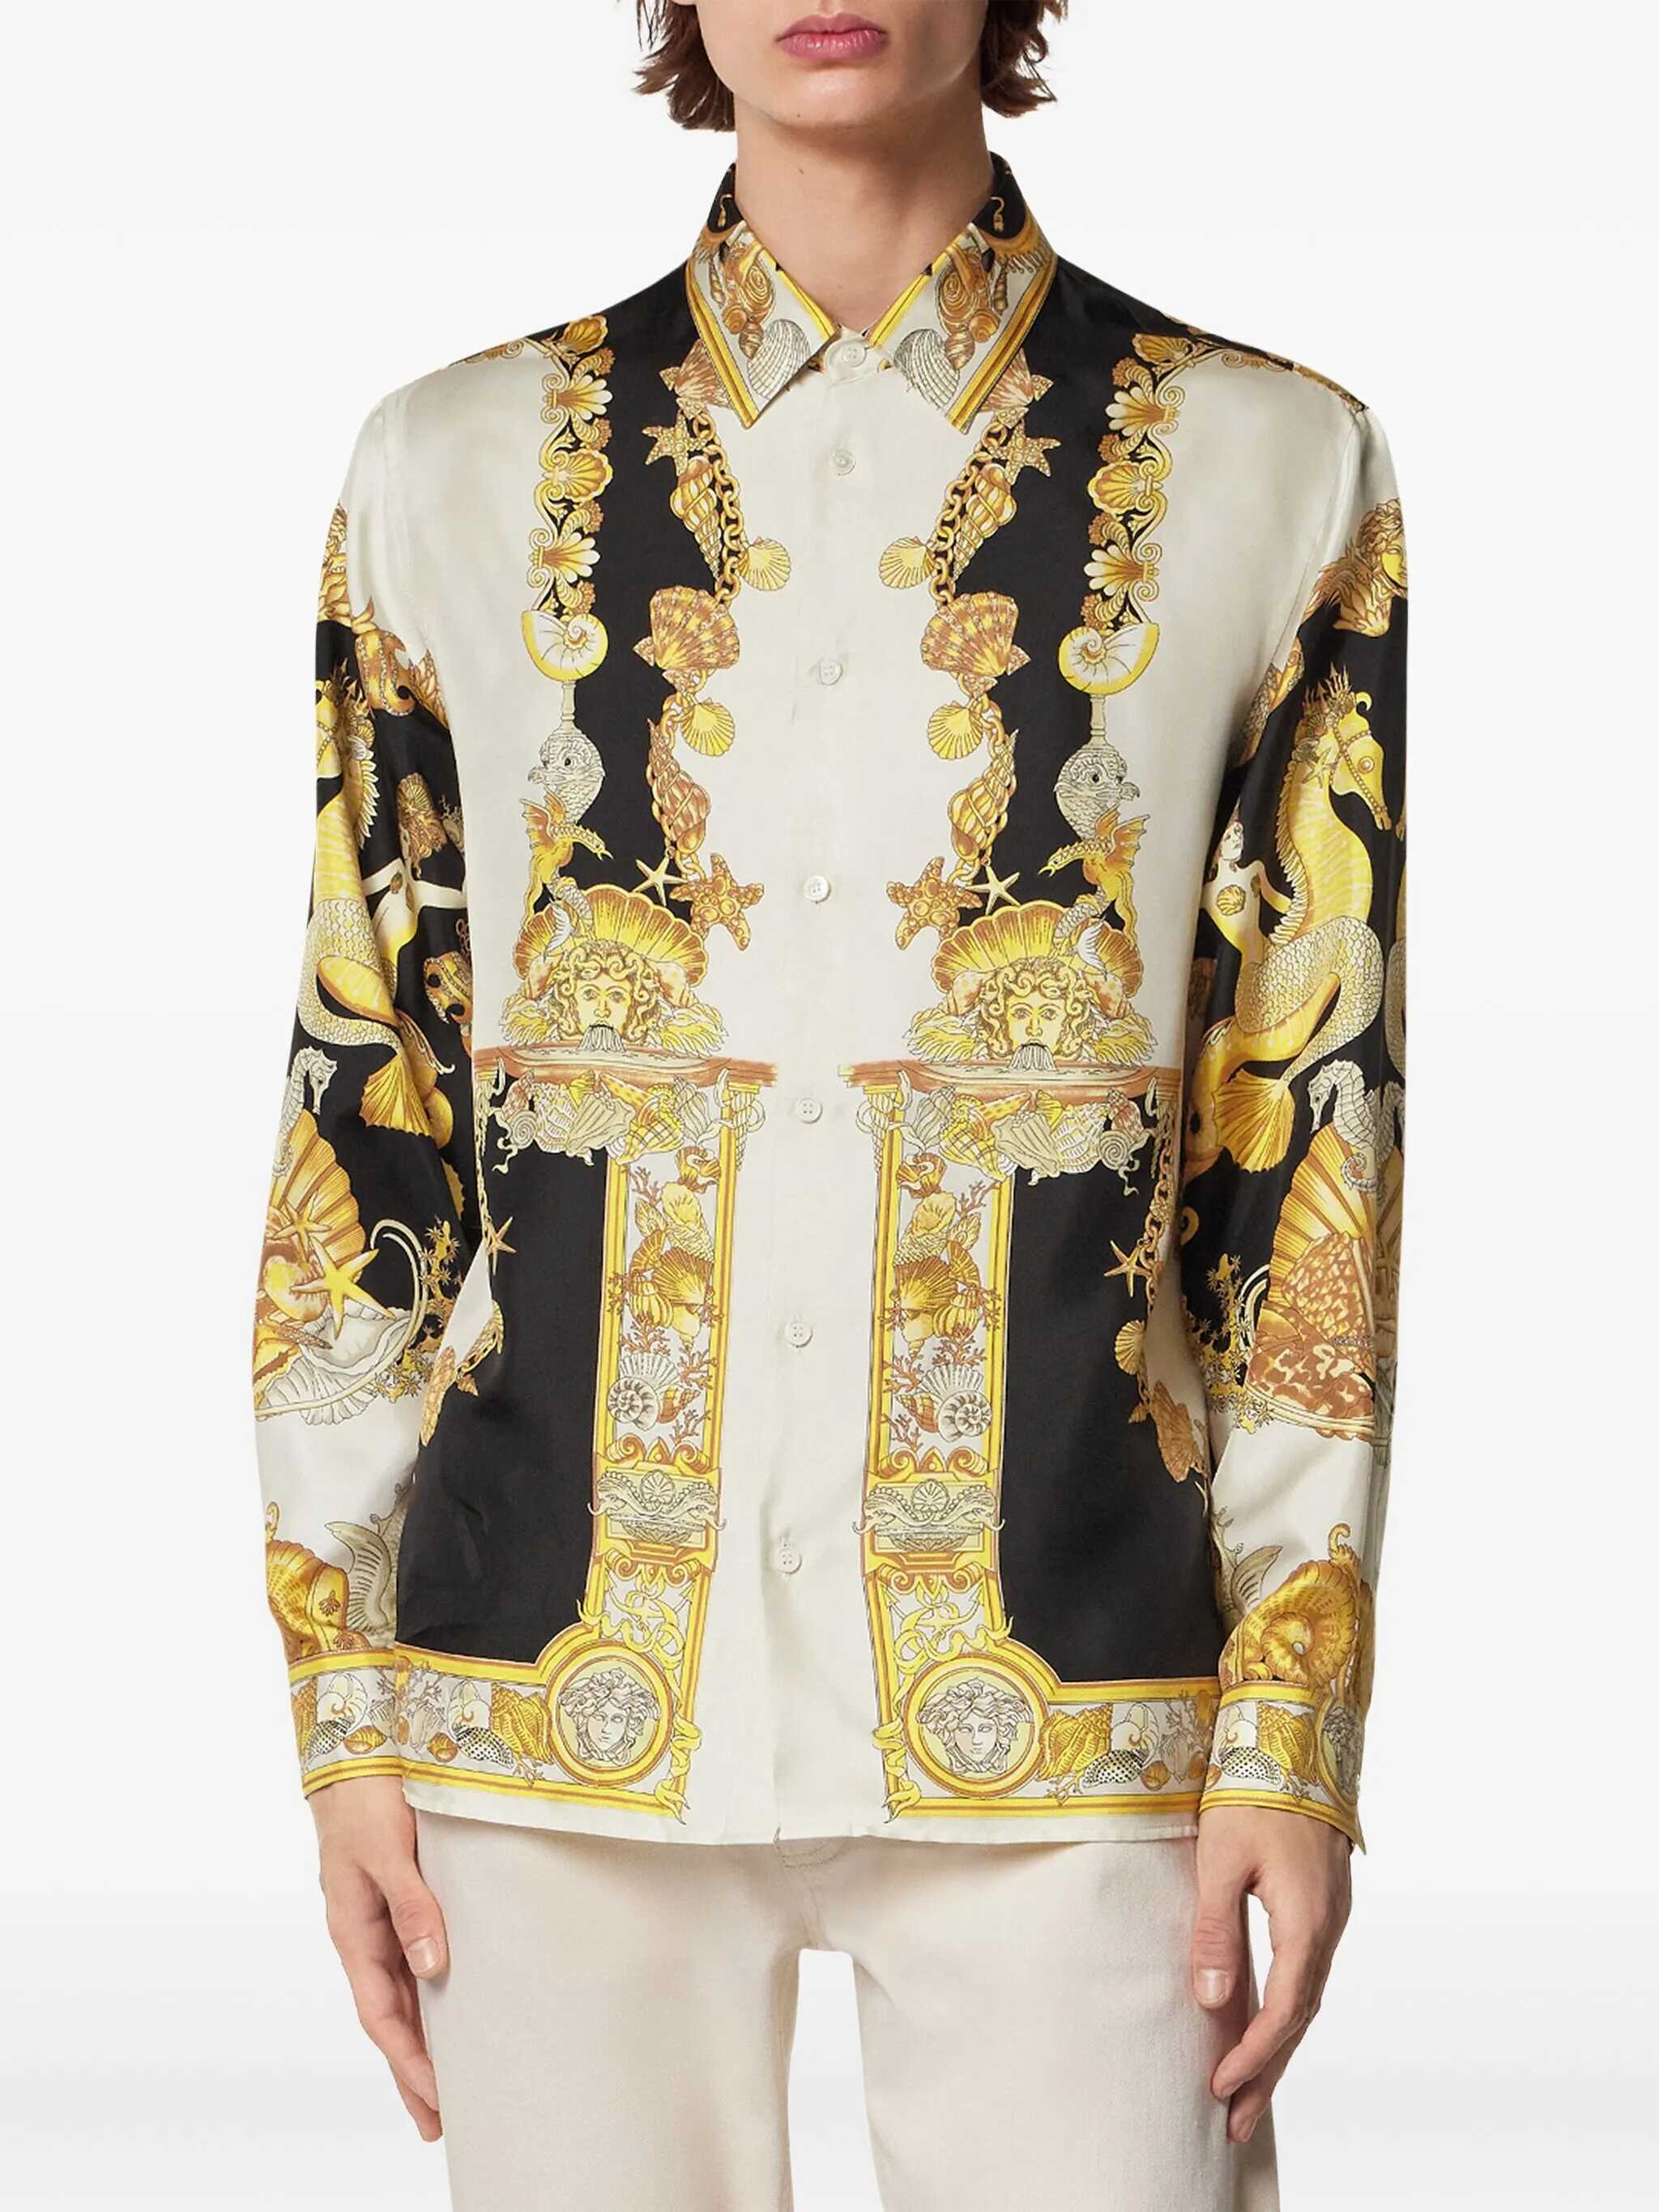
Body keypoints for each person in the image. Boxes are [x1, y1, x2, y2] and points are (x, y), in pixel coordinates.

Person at [251, 5, 1408, 2205]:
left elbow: (1311, 1130)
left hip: (1084, 1702)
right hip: (547, 1698)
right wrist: (342, 1698)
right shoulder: (447, 466)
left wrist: (1295, 1719)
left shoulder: (1276, 463)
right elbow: (365, 1094)